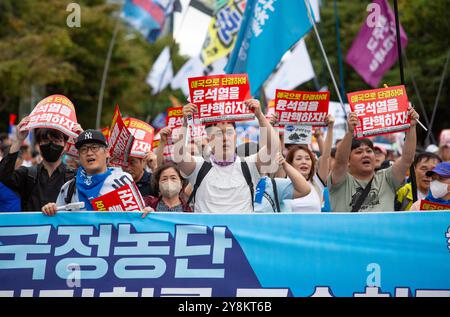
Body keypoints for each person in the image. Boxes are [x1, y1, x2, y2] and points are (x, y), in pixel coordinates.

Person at [174, 100, 279, 213]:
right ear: (209, 139)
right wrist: (185, 122)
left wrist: (259, 115)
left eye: (229, 132)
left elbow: (273, 147)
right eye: (218, 134)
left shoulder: (249, 165)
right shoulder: (199, 166)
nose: (225, 138)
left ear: (235, 136)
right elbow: (179, 156)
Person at [329, 107, 419, 212]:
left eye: (369, 151)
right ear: (348, 161)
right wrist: (350, 132)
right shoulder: (340, 181)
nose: (365, 155)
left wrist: (412, 127)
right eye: (359, 152)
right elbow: (340, 162)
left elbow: (407, 159)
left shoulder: (387, 178)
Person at [41, 129, 143, 214]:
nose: (89, 153)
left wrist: (148, 212)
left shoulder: (123, 180)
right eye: (83, 149)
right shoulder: (69, 188)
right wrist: (50, 210)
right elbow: (58, 223)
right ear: (79, 156)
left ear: (107, 152)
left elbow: (140, 216)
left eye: (94, 147)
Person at [0, 116, 75, 211]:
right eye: (45, 141)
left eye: (56, 141)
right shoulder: (27, 174)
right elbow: (3, 176)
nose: (51, 145)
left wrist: (83, 141)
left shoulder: (74, 177)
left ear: (65, 146)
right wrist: (18, 140)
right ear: (39, 146)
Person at [285, 145, 324, 212]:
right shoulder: (283, 184)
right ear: (290, 164)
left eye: (307, 159)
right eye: (298, 159)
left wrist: (319, 136)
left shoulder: (317, 182)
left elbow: (326, 156)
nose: (304, 162)